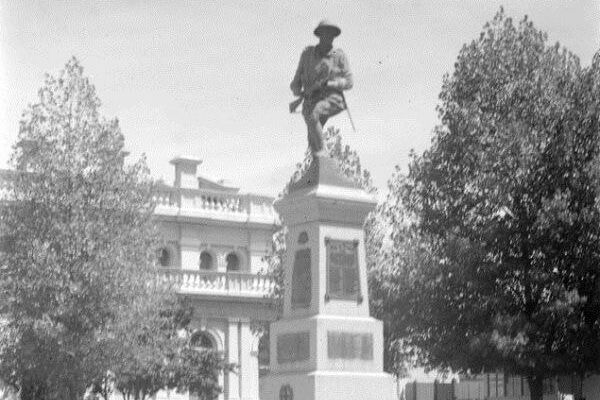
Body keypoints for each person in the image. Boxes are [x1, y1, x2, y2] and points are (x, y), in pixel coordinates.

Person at [290, 20, 353, 154]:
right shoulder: (307, 55)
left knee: (314, 116)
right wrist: (298, 92)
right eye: (325, 34)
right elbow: (296, 82)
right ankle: (319, 163)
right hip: (310, 101)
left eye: (331, 35)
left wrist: (331, 83)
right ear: (319, 35)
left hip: (332, 99)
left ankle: (323, 157)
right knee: (312, 142)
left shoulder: (338, 55)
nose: (328, 37)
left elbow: (349, 81)